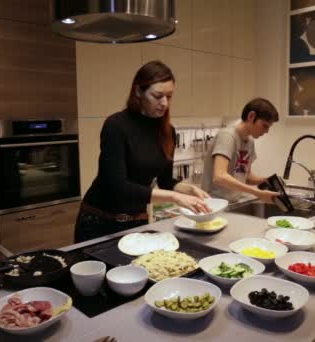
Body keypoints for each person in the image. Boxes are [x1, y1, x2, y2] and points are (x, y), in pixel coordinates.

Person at [75, 60, 210, 243]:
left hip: (136, 221)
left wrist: (190, 190)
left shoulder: (167, 131)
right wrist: (175, 197)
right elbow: (118, 185)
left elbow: (166, 181)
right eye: (157, 96)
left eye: (169, 96)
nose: (164, 103)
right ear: (138, 91)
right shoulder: (116, 126)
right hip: (100, 221)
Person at [202, 98, 280, 203]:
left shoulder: (250, 141)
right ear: (251, 116)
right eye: (264, 126)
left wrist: (266, 180)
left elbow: (245, 176)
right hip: (214, 203)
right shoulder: (227, 136)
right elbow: (219, 177)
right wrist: (257, 193)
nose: (266, 131)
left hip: (233, 202)